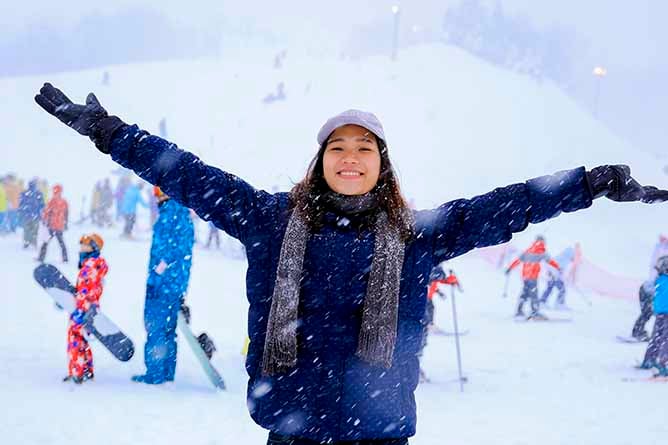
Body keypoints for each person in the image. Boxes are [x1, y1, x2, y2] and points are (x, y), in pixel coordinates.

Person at [34, 84, 668, 444]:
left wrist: (588, 183)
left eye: (365, 148)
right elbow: (185, 174)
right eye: (337, 146)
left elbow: (506, 207)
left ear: (381, 166)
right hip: (291, 431)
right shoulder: (271, 222)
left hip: (384, 436)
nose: (351, 156)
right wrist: (108, 130)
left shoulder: (415, 236)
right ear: (320, 161)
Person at [132, 186, 194, 384]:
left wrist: (159, 273)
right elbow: (183, 250)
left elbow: (169, 250)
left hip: (162, 284)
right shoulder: (183, 215)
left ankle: (155, 373)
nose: (156, 198)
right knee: (169, 329)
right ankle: (167, 371)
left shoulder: (169, 214)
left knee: (156, 327)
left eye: (157, 193)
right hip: (176, 284)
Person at [64, 234, 108, 384]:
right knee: (83, 341)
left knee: (75, 340)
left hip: (83, 310)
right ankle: (87, 371)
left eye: (85, 245)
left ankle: (77, 372)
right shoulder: (95, 264)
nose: (82, 248)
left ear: (93, 248)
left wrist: (80, 311)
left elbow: (85, 290)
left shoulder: (89, 266)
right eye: (81, 244)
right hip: (91, 309)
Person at [505, 235, 560, 319]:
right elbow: (550, 261)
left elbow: (517, 261)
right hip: (532, 276)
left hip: (525, 276)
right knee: (534, 294)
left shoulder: (528, 250)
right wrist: (558, 267)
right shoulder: (541, 251)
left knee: (525, 293)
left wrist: (510, 268)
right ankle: (535, 312)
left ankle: (519, 311)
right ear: (542, 241)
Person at [639, 256, 668, 376]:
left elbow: (649, 291)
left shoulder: (659, 280)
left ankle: (649, 359)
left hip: (660, 313)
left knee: (657, 336)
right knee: (665, 339)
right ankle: (663, 363)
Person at [38, 184, 69, 263]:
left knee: (45, 243)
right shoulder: (64, 202)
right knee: (61, 243)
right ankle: (65, 259)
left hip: (51, 226)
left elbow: (46, 212)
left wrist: (44, 220)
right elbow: (66, 213)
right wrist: (65, 223)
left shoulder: (51, 201)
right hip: (59, 226)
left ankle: (41, 258)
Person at [18, 178, 44, 248]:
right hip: (35, 215)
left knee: (27, 229)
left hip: (27, 215)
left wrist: (21, 211)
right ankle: (33, 242)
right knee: (34, 230)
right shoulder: (39, 193)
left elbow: (21, 204)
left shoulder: (24, 193)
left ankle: (27, 242)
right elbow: (42, 205)